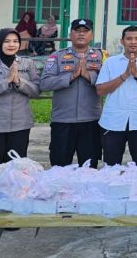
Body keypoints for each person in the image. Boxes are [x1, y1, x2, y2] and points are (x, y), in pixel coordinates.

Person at [39, 18, 105, 167]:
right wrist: (71, 76)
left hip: (91, 121)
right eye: (77, 31)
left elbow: (109, 82)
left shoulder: (102, 56)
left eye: (85, 31)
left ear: (91, 35)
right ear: (70, 34)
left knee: (89, 169)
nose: (81, 34)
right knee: (59, 167)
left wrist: (89, 77)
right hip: (62, 121)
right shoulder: (57, 56)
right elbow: (44, 83)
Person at [0, 28, 41, 170]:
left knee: (15, 172)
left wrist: (18, 82)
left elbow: (36, 91)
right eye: (7, 41)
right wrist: (5, 82)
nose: (12, 45)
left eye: (15, 41)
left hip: (20, 126)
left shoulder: (28, 64)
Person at [96, 26, 137, 166]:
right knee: (111, 166)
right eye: (129, 38)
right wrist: (124, 75)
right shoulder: (110, 62)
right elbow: (100, 90)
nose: (133, 42)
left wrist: (136, 75)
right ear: (122, 41)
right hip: (113, 121)